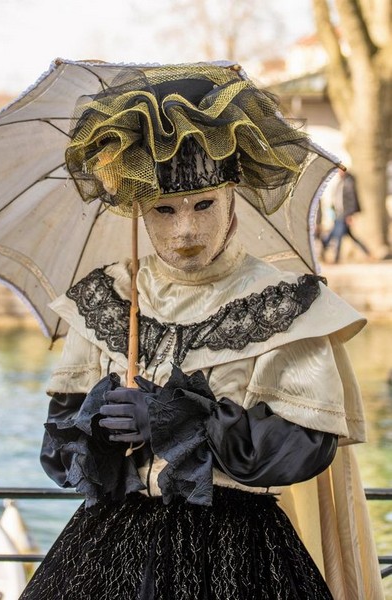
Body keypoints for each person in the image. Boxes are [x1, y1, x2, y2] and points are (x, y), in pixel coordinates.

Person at [20, 64, 383, 599]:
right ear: (139, 212)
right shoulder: (109, 300)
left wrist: (181, 418)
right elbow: (60, 453)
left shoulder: (281, 304)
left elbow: (302, 447)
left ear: (232, 196)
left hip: (239, 556)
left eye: (203, 205)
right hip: (111, 549)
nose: (185, 229)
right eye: (163, 210)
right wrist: (97, 424)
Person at [322, 170, 371, 263]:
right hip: (338, 214)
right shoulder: (340, 182)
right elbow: (337, 199)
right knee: (348, 236)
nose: (339, 173)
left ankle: (336, 258)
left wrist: (349, 215)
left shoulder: (348, 183)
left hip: (344, 215)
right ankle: (368, 252)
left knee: (337, 236)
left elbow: (351, 200)